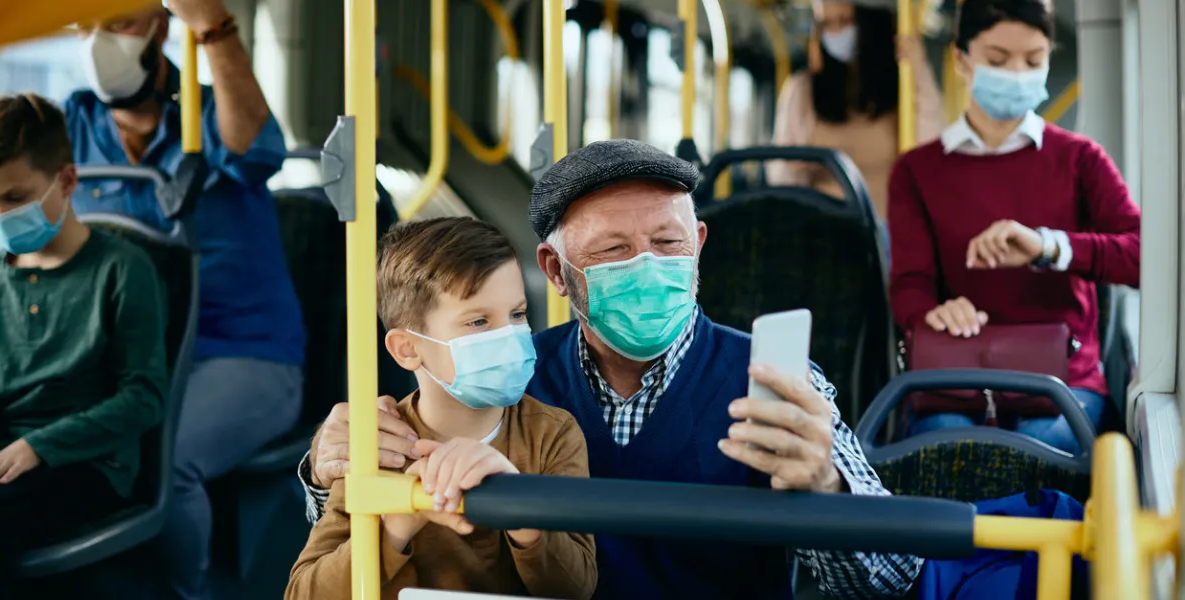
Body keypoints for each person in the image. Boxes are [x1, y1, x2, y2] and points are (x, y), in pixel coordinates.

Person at [300, 140, 923, 599]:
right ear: (555, 271)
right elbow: (367, 519)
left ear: (700, 245)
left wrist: (827, 490)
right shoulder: (503, 372)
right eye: (613, 251)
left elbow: (894, 577)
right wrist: (327, 470)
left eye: (669, 243)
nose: (648, 267)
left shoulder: (775, 381)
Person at [63, 2, 305, 597]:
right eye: (88, 26)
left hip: (244, 352)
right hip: (134, 356)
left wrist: (215, 29)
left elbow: (256, 151)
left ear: (160, 28)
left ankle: (187, 592)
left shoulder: (209, 112)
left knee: (166, 457)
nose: (100, 44)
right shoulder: (75, 123)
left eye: (118, 24)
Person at [286, 217, 596, 600]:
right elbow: (304, 593)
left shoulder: (553, 434)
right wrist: (397, 523)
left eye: (517, 315)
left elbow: (577, 587)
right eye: (479, 321)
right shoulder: (377, 444)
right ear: (408, 349)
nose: (509, 336)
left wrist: (521, 505)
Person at [887, 0, 1140, 453]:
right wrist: (932, 313)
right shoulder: (916, 171)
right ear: (961, 59)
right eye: (999, 61)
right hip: (955, 375)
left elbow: (1145, 256)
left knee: (1041, 449)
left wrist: (1049, 247)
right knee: (944, 445)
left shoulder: (1081, 160)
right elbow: (909, 285)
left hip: (1062, 378)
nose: (1018, 73)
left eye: (1034, 60)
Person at [0, 93, 167, 597]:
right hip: (4, 461)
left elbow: (144, 398)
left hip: (88, 464)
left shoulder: (123, 270)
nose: (1, 216)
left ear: (66, 181)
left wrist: (38, 446)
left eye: (16, 198)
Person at [767, 0, 944, 221]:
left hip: (884, 230)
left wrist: (919, 70)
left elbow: (931, 150)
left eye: (844, 21)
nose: (835, 33)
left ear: (869, 22)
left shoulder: (902, 86)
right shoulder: (801, 92)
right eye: (826, 24)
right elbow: (781, 174)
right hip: (820, 228)